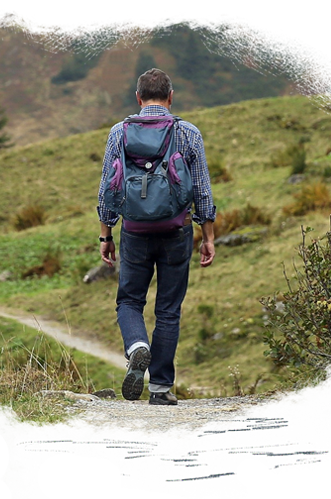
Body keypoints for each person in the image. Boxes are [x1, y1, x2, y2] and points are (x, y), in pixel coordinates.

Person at [97, 68, 216, 406]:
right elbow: (203, 190)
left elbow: (108, 187)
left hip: (134, 231)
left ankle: (137, 346)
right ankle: (161, 388)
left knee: (129, 300)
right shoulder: (188, 133)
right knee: (168, 309)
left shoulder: (119, 132)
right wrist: (207, 235)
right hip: (177, 230)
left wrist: (106, 234)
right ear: (170, 97)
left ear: (138, 98)